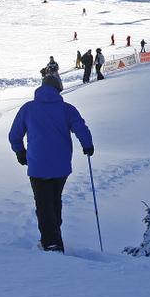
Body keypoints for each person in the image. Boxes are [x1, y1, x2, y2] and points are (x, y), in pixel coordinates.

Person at [7, 69, 94, 252]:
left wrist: (20, 153)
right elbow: (81, 128)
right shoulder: (67, 109)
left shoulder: (28, 108)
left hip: (38, 164)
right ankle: (54, 237)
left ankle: (51, 243)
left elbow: (14, 135)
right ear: (58, 90)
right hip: (61, 165)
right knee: (54, 201)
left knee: (43, 204)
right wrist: (87, 145)